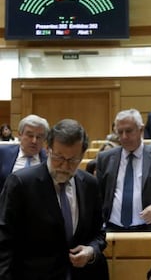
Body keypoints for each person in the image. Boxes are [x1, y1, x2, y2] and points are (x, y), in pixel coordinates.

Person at [0, 119, 109, 279]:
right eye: (59, 157)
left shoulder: (89, 184)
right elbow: (5, 241)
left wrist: (91, 250)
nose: (65, 166)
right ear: (48, 149)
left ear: (83, 155)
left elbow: (99, 233)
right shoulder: (21, 183)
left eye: (73, 160)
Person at [96, 109, 151, 232]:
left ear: (141, 130)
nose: (124, 136)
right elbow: (99, 195)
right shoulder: (105, 158)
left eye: (129, 131)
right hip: (112, 229)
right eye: (120, 132)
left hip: (150, 229)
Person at [0, 114, 49, 192]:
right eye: (30, 136)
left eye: (39, 137)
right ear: (20, 135)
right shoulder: (3, 153)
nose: (34, 141)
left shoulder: (49, 158)